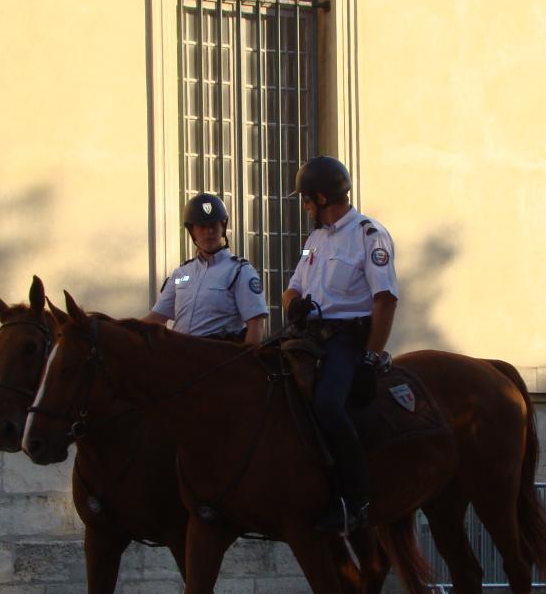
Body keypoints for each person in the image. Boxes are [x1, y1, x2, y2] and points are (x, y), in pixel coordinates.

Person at [281, 156, 398, 534]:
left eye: (306, 200)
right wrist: (293, 304)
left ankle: (356, 500)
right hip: (308, 336)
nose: (305, 207)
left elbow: (385, 299)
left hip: (346, 341)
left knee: (329, 405)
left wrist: (370, 356)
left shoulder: (369, 235)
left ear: (320, 196)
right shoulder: (315, 239)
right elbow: (292, 289)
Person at [144, 193, 267, 344]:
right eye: (202, 227)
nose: (208, 232)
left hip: (218, 360)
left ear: (222, 228)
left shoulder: (240, 271)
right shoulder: (181, 273)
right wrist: (121, 331)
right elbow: (156, 318)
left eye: (213, 226)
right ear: (192, 231)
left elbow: (256, 324)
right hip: (179, 357)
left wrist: (245, 364)